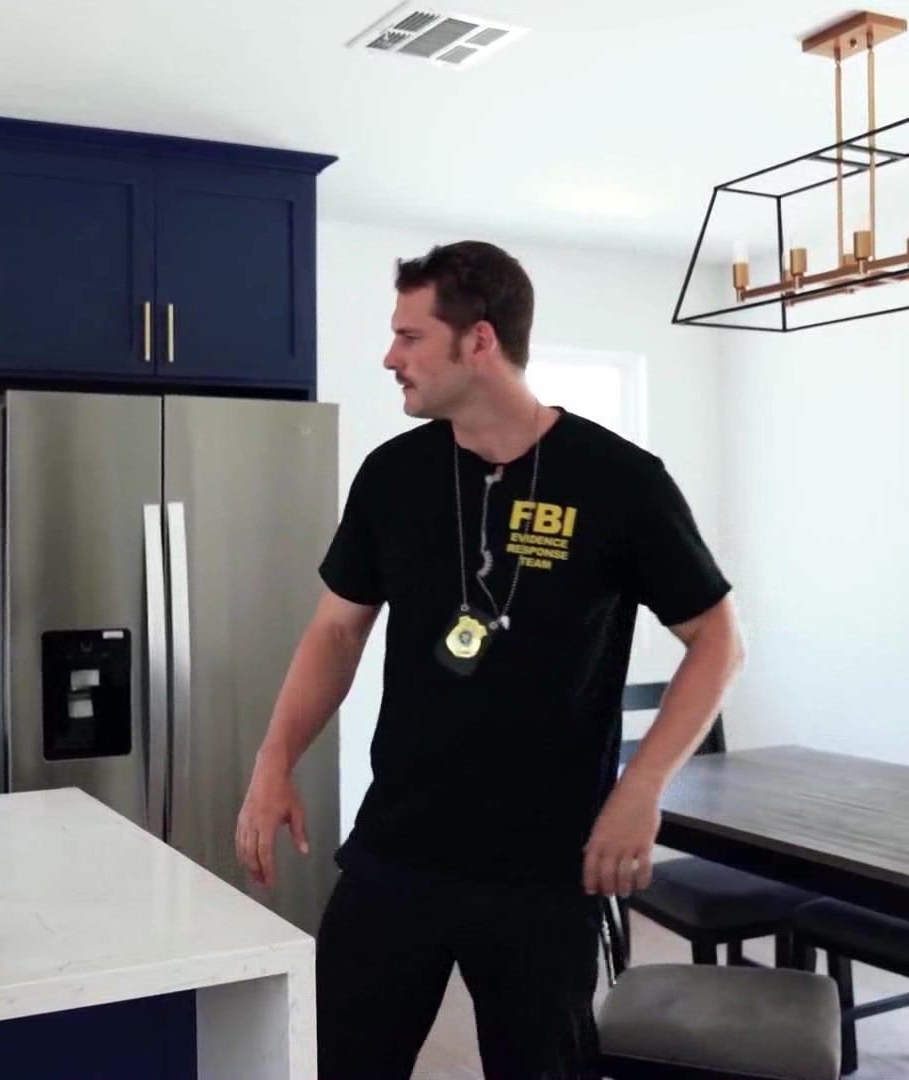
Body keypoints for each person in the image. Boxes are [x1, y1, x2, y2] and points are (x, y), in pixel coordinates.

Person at [234, 240, 745, 1079]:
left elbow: (717, 639)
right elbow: (336, 632)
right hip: (398, 847)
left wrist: (640, 789)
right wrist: (273, 760)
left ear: (479, 341)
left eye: (410, 337)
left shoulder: (619, 481)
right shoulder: (393, 476)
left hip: (544, 869)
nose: (390, 357)